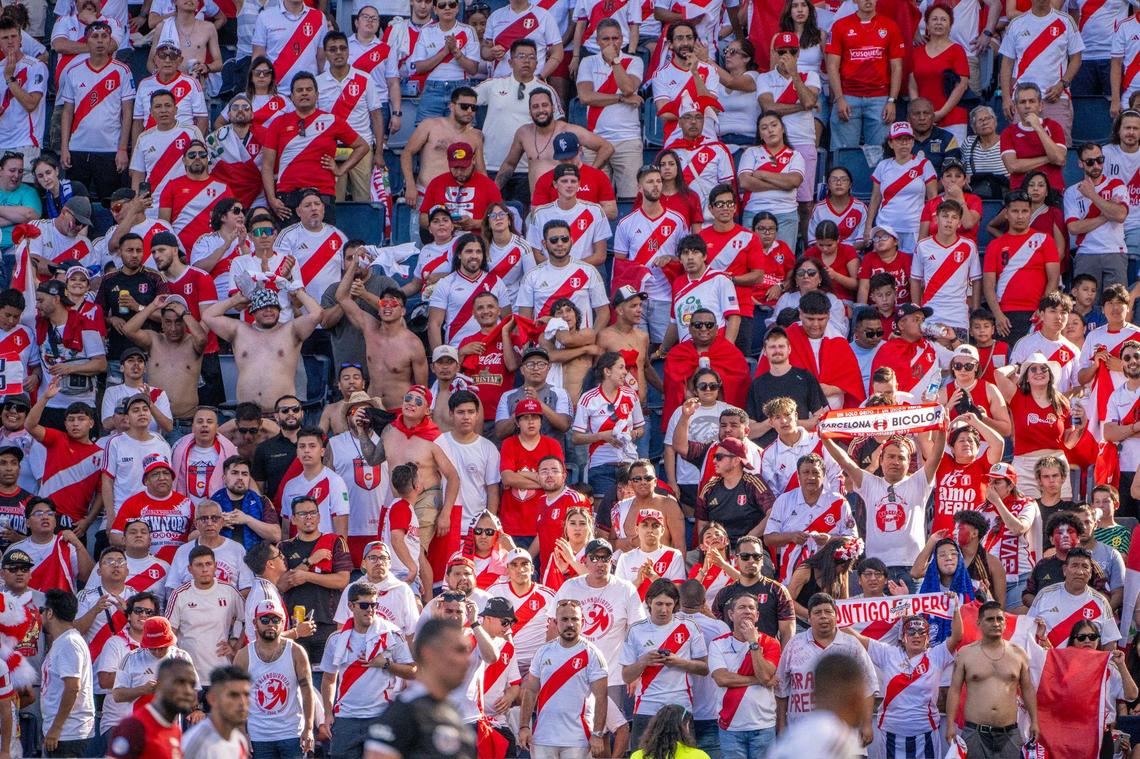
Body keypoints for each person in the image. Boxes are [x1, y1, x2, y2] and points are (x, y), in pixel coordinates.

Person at [825, 426, 945, 589]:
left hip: (912, 568)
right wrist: (825, 438)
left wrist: (942, 430)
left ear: (909, 462)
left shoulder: (919, 482)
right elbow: (845, 462)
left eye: (901, 458)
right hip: (877, 570)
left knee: (914, 615)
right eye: (890, 457)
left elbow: (936, 456)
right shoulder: (869, 483)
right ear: (881, 460)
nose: (895, 462)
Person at [320, 582, 416, 759]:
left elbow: (413, 671)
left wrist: (387, 664)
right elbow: (328, 679)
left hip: (381, 716)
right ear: (350, 606)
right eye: (364, 605)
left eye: (374, 605)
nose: (370, 610)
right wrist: (328, 713)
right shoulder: (336, 639)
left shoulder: (391, 634)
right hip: (346, 719)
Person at [363, 618, 478, 759]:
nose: (468, 660)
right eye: (459, 650)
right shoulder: (402, 715)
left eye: (468, 651)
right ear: (428, 653)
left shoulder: (452, 714)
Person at [261, 75, 369, 223]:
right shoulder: (278, 123)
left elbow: (362, 146)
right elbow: (266, 166)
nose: (304, 93)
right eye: (299, 90)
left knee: (321, 244)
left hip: (323, 194)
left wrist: (341, 169)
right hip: (287, 195)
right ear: (292, 97)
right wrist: (272, 199)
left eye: (309, 89)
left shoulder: (332, 121)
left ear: (317, 95)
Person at [774, 593, 877, 744]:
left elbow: (869, 685)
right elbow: (781, 688)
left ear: (836, 616)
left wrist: (867, 723)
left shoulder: (851, 645)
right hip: (802, 733)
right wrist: (781, 724)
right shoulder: (794, 645)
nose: (823, 616)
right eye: (817, 612)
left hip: (844, 734)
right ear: (809, 618)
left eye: (828, 612)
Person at [202, 286, 322, 413]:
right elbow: (208, 316)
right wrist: (235, 300)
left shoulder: (291, 330)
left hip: (282, 414)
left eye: (273, 306)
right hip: (247, 416)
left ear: (280, 310)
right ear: (253, 312)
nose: (269, 310)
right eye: (263, 307)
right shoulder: (239, 331)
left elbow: (317, 313)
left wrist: (298, 292)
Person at [517, 597, 608, 758]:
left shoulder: (592, 654)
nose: (570, 624)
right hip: (543, 737)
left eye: (574, 619)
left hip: (577, 738)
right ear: (555, 622)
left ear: (583, 622)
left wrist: (598, 734)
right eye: (564, 619)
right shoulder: (543, 652)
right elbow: (531, 691)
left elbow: (601, 697)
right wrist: (524, 726)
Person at [944, 600, 1040, 753]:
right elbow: (954, 690)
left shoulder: (1018, 653)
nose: (996, 623)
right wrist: (949, 724)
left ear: (1005, 623)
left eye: (999, 619)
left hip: (1009, 733)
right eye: (990, 619)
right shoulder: (965, 654)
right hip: (975, 732)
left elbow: (1028, 689)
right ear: (979, 623)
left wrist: (1034, 721)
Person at [57, 21, 134, 202]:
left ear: (110, 41)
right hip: (77, 147)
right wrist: (64, 147)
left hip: (109, 149)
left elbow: (128, 113)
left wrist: (123, 149)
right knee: (75, 203)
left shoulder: (122, 71)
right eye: (95, 37)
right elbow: (67, 112)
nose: (100, 41)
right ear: (87, 41)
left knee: (111, 204)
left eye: (104, 36)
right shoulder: (74, 71)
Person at [233, 600, 317, 758]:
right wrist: (241, 732)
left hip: (292, 733)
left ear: (283, 622)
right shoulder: (243, 655)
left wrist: (309, 728)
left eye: (275, 620)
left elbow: (307, 691)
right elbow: (236, 697)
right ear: (255, 623)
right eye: (264, 620)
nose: (270, 624)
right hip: (259, 736)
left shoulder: (296, 652)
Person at [824, 0, 904, 151]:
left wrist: (892, 100)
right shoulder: (840, 26)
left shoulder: (890, 26)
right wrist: (839, 98)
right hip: (848, 97)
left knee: (879, 156)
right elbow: (832, 65)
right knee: (844, 154)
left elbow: (897, 67)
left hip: (879, 99)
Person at [998, 0, 1083, 140]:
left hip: (1056, 97)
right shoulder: (1016, 23)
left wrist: (1062, 84)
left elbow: (1076, 59)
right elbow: (1007, 63)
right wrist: (1006, 98)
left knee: (1059, 151)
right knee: (1023, 152)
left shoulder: (1066, 21)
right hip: (1023, 100)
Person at [572, 351, 645, 502]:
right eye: (621, 367)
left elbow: (640, 428)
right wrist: (602, 436)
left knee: (631, 513)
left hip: (629, 465)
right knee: (603, 517)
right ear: (607, 371)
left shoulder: (631, 395)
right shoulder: (588, 399)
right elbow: (576, 437)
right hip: (601, 466)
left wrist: (633, 435)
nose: (625, 372)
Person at [166, 545, 244, 678]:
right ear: (190, 569)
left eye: (208, 564)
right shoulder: (179, 594)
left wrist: (236, 646)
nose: (204, 569)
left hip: (221, 672)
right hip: (189, 674)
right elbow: (169, 632)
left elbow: (249, 620)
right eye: (199, 565)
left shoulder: (229, 591)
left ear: (215, 566)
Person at [745, 327, 827, 446]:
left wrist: (788, 422)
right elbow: (750, 431)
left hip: (801, 448)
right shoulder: (757, 384)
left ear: (789, 349)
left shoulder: (805, 377)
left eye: (781, 346)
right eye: (772, 347)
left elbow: (819, 420)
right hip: (767, 451)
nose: (777, 350)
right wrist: (773, 422)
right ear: (765, 352)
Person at [1066, 142, 1130, 290]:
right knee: (1084, 306)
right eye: (1090, 162)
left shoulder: (1117, 184)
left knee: (1116, 305)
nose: (1096, 165)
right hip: (1086, 252)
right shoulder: (1072, 191)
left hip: (1115, 251)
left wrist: (1092, 195)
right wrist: (1107, 214)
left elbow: (1120, 215)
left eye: (1100, 160)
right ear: (1080, 163)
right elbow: (1074, 227)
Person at [106, 657, 199, 759]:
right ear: (159, 685)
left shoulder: (175, 731)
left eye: (192, 685)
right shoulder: (134, 727)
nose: (188, 691)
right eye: (179, 683)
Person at [40, 588, 95, 757]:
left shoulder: (69, 643)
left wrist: (56, 729)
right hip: (63, 733)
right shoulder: (64, 641)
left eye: (42, 610)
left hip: (69, 734)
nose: (40, 615)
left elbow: (72, 688)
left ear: (50, 613)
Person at [279, 427, 350, 537]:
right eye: (302, 446)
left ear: (322, 451)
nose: (306, 450)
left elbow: (342, 531)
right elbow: (285, 531)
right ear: (297, 452)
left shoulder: (335, 482)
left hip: (325, 550)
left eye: (312, 446)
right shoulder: (290, 486)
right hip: (297, 552)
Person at [249, 0, 327, 95]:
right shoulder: (265, 17)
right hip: (276, 93)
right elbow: (258, 58)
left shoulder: (319, 17)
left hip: (307, 94)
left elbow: (322, 61)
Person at [1000, 82, 1068, 191]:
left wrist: (1037, 127)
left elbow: (1059, 159)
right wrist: (1048, 158)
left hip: (1052, 189)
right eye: (1022, 102)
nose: (1027, 106)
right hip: (1020, 192)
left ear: (1040, 105)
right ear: (1016, 108)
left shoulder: (1053, 126)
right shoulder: (1008, 132)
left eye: (1032, 101)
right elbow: (1013, 166)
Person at [180, 665, 252, 758]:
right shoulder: (197, 743)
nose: (242, 702)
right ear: (212, 699)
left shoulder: (239, 740)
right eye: (234, 695)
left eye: (246, 695)